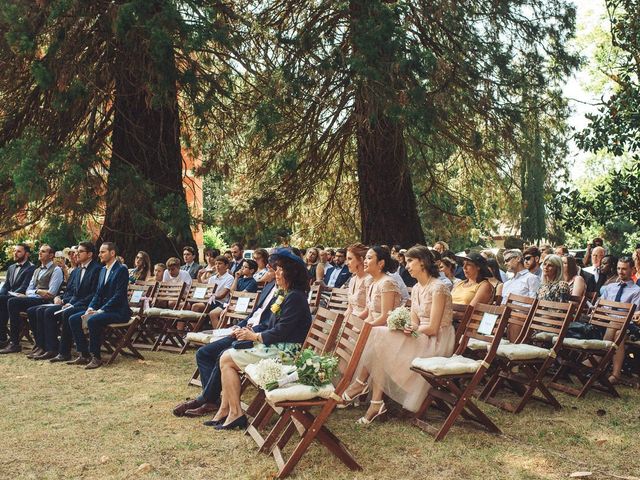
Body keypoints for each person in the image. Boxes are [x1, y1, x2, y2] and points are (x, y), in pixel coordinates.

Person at [342, 245, 455, 424]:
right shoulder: (417, 287)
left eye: (410, 261)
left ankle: (362, 386)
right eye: (407, 261)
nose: (406, 265)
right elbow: (415, 321)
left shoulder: (438, 288)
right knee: (380, 338)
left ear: (423, 262)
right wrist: (405, 327)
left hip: (436, 339)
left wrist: (411, 329)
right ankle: (375, 400)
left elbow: (433, 327)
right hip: (420, 334)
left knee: (378, 335)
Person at [210, 248, 312, 430]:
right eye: (276, 268)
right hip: (277, 346)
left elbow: (281, 331)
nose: (276, 272)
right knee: (227, 355)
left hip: (286, 352)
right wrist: (249, 331)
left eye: (281, 269)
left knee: (227, 358)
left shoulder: (295, 297)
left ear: (291, 273)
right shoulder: (284, 294)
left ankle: (234, 413)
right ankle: (228, 410)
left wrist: (254, 336)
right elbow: (272, 325)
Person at [172, 266, 278, 419]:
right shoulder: (269, 287)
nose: (266, 272)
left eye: (272, 269)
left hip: (255, 336)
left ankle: (205, 399)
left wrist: (250, 331)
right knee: (203, 353)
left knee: (222, 355)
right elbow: (255, 314)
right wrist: (239, 326)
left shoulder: (285, 294)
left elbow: (269, 324)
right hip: (243, 331)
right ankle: (212, 400)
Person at [30, 242, 102, 361]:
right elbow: (72, 292)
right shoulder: (78, 270)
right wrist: (61, 299)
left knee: (64, 313)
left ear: (89, 254)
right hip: (74, 303)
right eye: (76, 252)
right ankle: (49, 348)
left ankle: (64, 352)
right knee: (42, 310)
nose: (76, 254)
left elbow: (94, 294)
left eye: (80, 252)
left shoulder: (97, 269)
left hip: (88, 305)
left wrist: (72, 304)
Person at [66, 242, 131, 369]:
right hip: (103, 309)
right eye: (100, 252)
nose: (99, 255)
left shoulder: (121, 269)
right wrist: (90, 308)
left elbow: (118, 295)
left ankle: (96, 357)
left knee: (94, 320)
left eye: (103, 252)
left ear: (112, 253)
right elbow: (98, 294)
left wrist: (100, 310)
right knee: (74, 318)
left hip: (118, 311)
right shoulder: (102, 270)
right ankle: (84, 355)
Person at [0, 244, 64, 355]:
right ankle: (10, 341)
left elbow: (51, 293)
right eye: (40, 251)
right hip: (35, 298)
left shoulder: (56, 270)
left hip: (46, 301)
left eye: (43, 251)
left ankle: (15, 343)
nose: (39, 253)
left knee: (12, 301)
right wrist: (37, 292)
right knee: (9, 301)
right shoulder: (37, 270)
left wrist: (36, 292)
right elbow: (29, 290)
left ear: (51, 255)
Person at [600, 257, 640, 383]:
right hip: (603, 321)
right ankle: (615, 374)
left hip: (628, 326)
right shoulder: (610, 287)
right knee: (618, 332)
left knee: (618, 331)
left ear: (632, 270)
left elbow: (635, 314)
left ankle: (596, 358)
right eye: (618, 268)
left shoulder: (637, 291)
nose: (620, 271)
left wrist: (614, 317)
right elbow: (599, 305)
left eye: (624, 269)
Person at [0, 243, 35, 349]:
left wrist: (6, 296)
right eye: (15, 251)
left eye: (19, 251)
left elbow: (24, 287)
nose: (15, 253)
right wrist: (2, 294)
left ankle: (3, 338)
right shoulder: (11, 267)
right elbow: (6, 285)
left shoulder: (31, 268)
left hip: (22, 299)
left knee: (3, 300)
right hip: (8, 299)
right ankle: (2, 338)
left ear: (27, 254)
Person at [343, 243, 370, 319]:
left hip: (364, 321)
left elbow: (368, 311)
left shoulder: (369, 280)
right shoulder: (352, 280)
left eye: (350, 259)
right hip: (351, 319)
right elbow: (350, 309)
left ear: (361, 259)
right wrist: (341, 322)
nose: (346, 263)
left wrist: (352, 324)